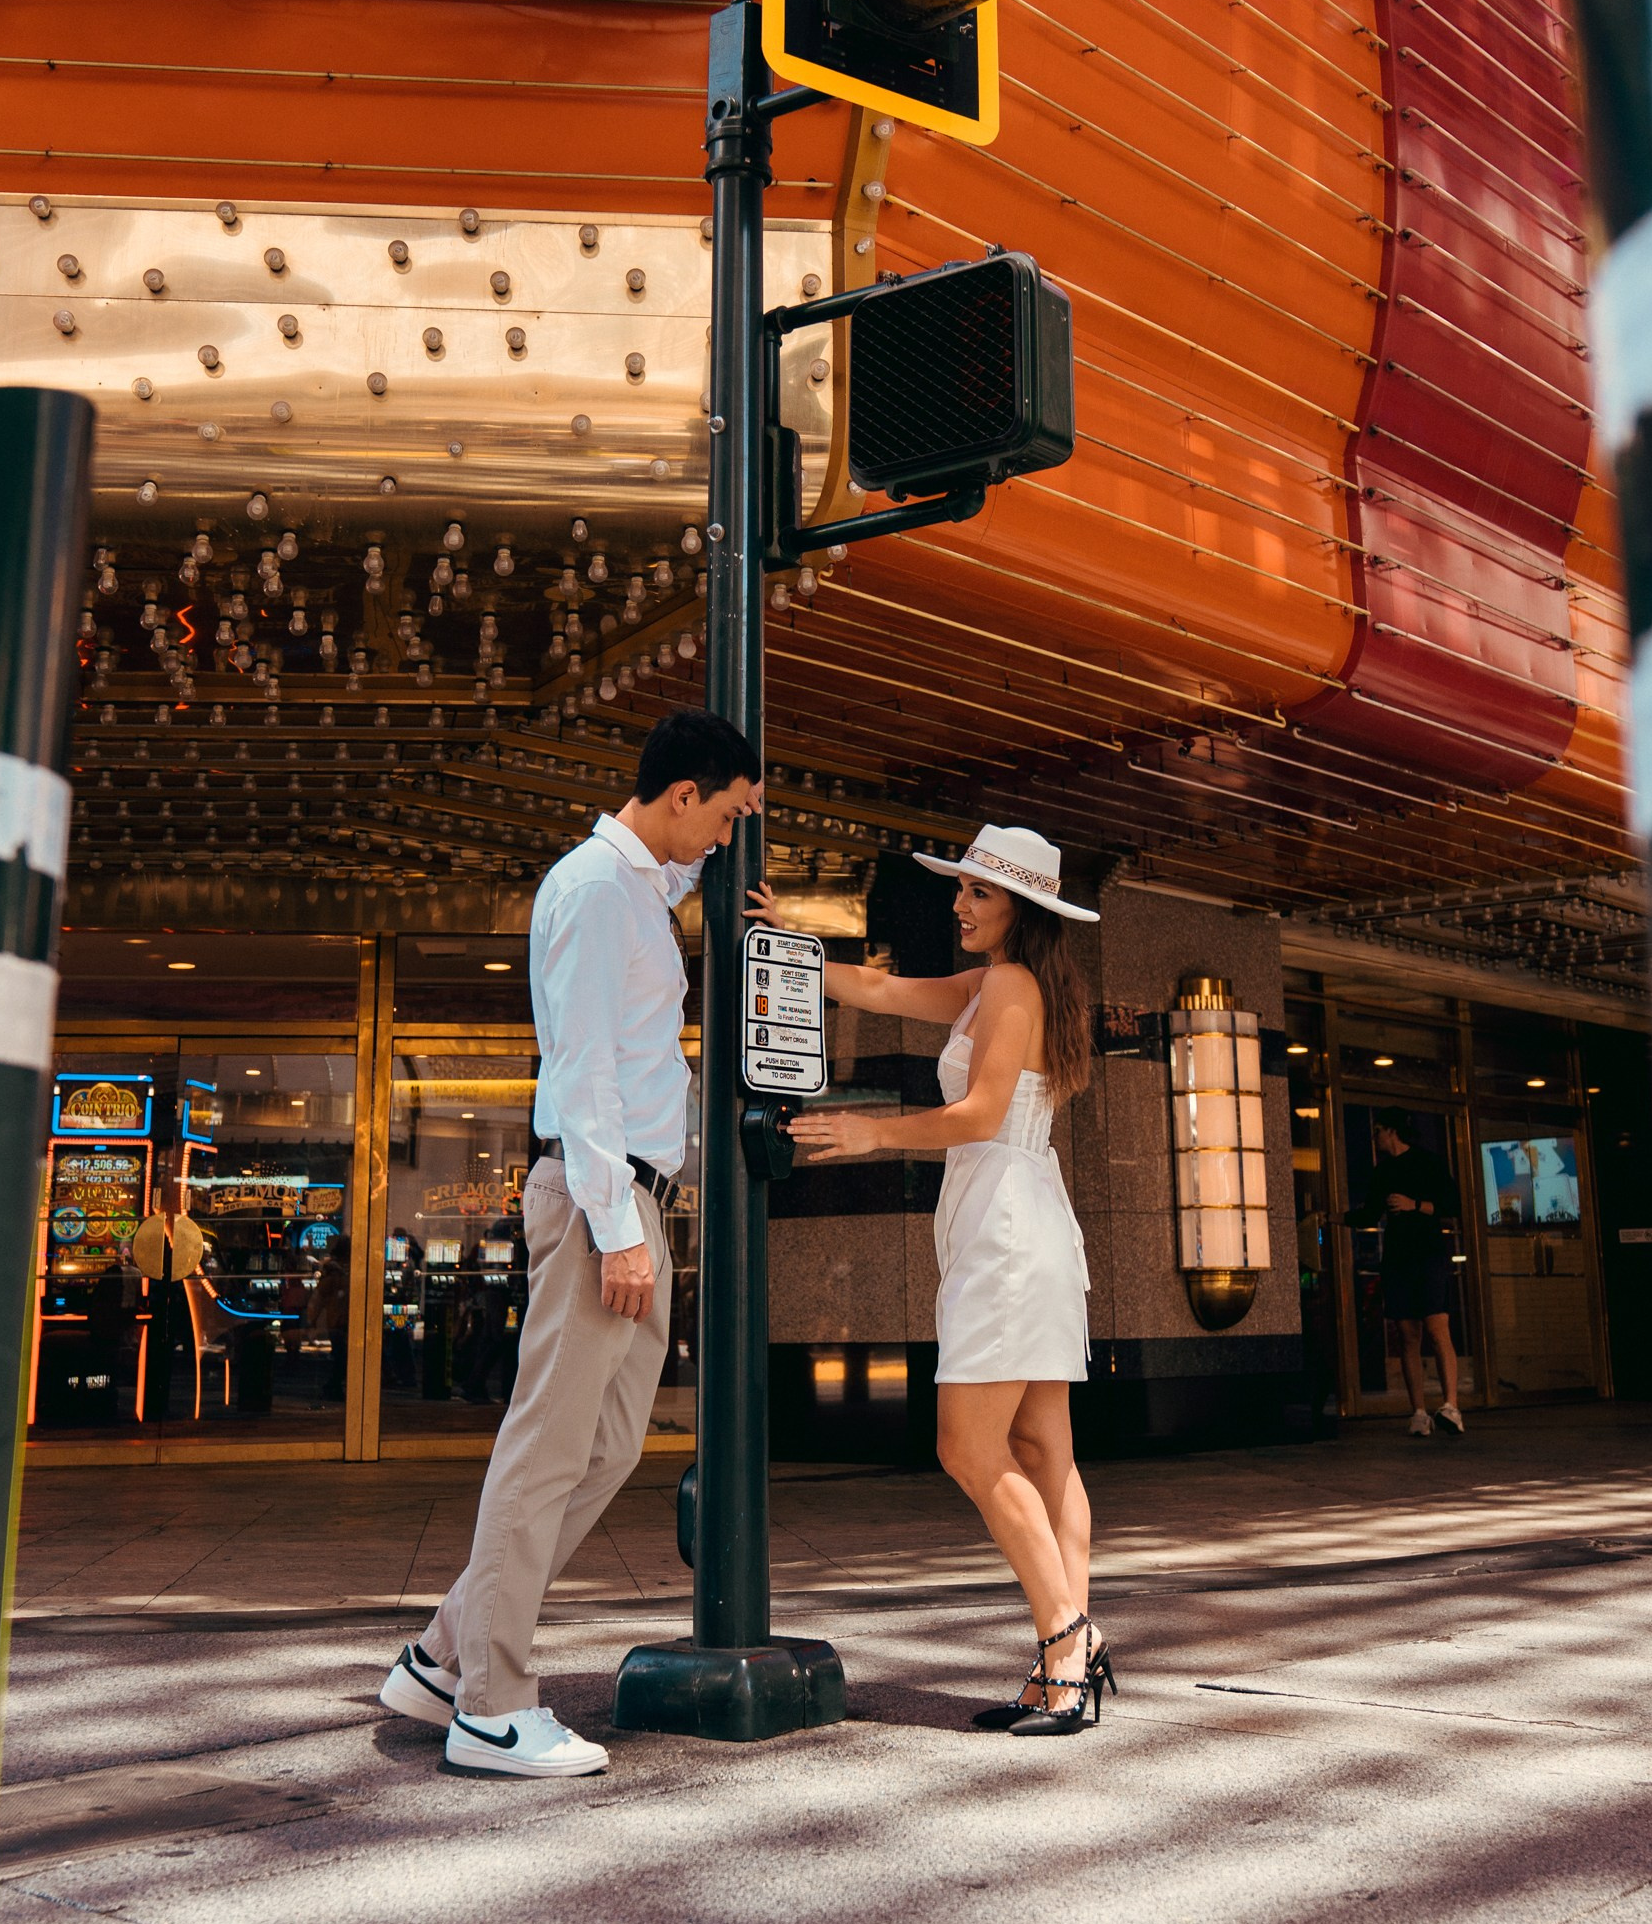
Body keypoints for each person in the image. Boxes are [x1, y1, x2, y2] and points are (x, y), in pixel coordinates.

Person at [380, 707, 761, 1778]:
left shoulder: (633, 887)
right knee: (547, 1452)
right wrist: (614, 1227)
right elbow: (584, 1067)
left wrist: (728, 883)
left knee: (607, 1447)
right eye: (726, 817)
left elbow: (668, 890)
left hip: (631, 1202)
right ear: (683, 795)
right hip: (605, 1200)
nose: (727, 841)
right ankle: (492, 1706)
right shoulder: (596, 892)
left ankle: (441, 1656)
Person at [754, 823, 1109, 1736]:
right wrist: (791, 941)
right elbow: (876, 986)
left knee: (968, 1447)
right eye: (961, 889)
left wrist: (873, 1133)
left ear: (1019, 908)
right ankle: (1071, 1651)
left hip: (1007, 1231)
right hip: (1019, 1225)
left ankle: (1065, 1644)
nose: (959, 904)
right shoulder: (999, 985)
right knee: (1044, 1455)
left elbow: (983, 1113)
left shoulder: (1015, 987)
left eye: (979, 893)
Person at [1364, 1112, 1465, 1436]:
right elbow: (1368, 1212)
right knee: (1408, 1335)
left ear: (1392, 1131)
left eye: (1378, 1130)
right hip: (1398, 1258)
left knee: (1438, 1329)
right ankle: (1419, 1412)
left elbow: (1453, 1204)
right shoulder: (1383, 1171)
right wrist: (1328, 1218)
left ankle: (1451, 1407)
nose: (1374, 1137)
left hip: (1428, 1255)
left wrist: (1414, 1204)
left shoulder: (1427, 1162)